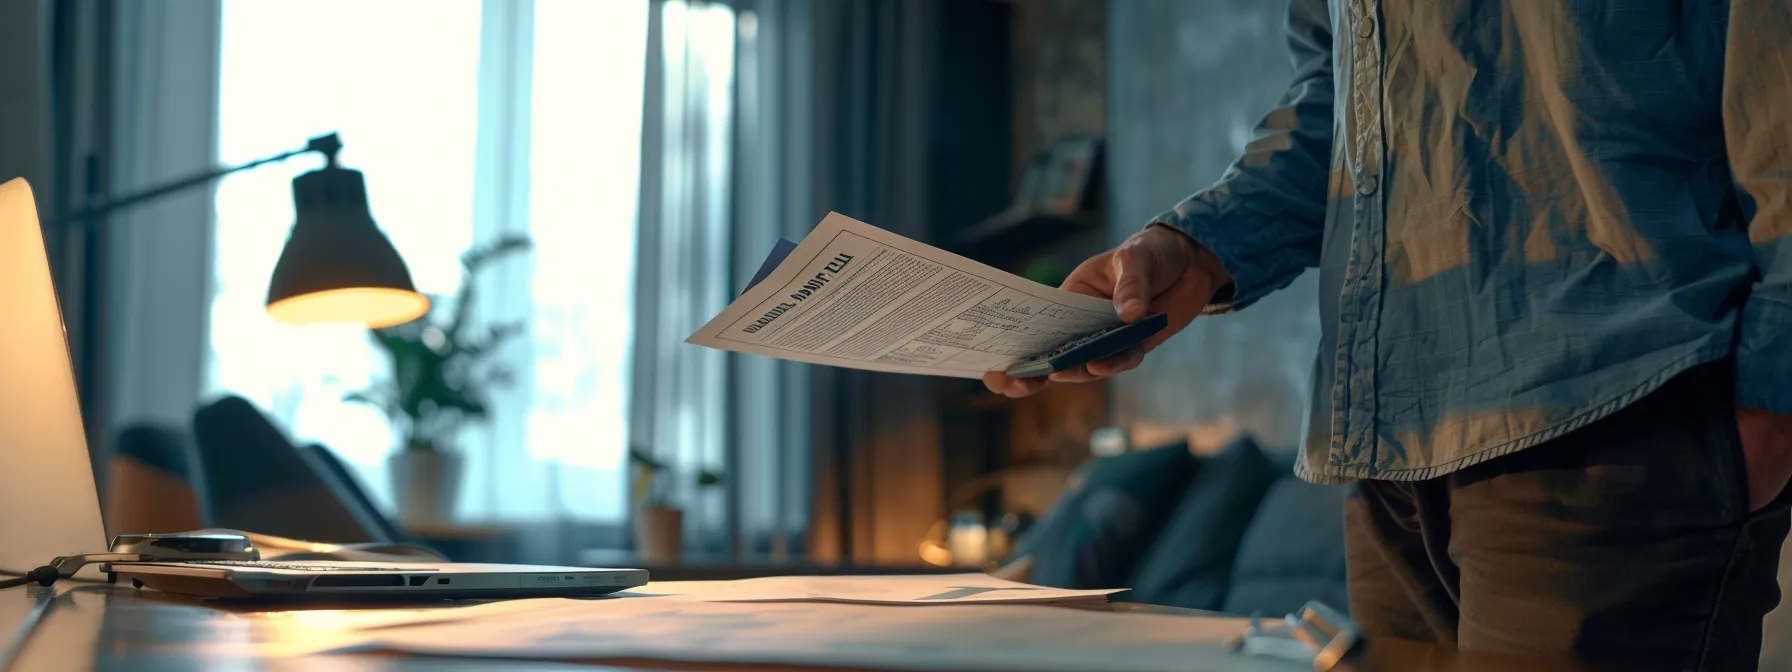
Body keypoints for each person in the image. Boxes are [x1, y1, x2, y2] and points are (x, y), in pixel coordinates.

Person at [984, 1, 1792, 668]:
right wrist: (1191, 249)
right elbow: (1339, 111)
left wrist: (1771, 403)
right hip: (1389, 455)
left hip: (1617, 415)